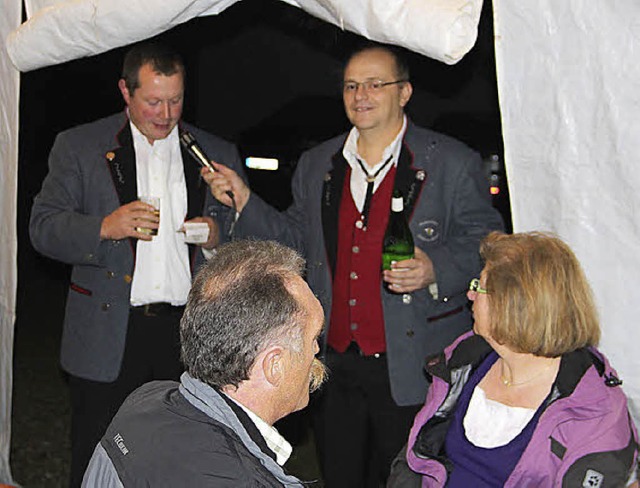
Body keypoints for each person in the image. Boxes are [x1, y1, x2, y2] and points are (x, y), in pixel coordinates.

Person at [203, 43, 504, 486]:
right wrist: (246, 200)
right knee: (340, 473)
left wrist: (435, 267)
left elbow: (487, 239)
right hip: (332, 359)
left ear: (404, 92)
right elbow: (293, 240)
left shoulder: (450, 162)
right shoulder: (318, 164)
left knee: (407, 476)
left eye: (375, 84)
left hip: (413, 360)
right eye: (351, 85)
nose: (360, 94)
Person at [29, 42, 244, 487]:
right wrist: (105, 226)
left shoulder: (211, 151)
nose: (166, 114)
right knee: (96, 455)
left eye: (176, 100)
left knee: (180, 459)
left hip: (187, 335)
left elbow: (248, 237)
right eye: (153, 101)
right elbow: (43, 227)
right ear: (125, 92)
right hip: (111, 333)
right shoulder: (80, 146)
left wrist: (217, 236)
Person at [389, 231, 639, 487]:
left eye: (479, 286)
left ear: (514, 305)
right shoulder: (463, 363)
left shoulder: (594, 410)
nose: (470, 295)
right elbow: (415, 461)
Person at [81, 239, 327, 486]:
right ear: (274, 365)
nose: (317, 349)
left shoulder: (145, 403)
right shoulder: (244, 480)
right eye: (314, 337)